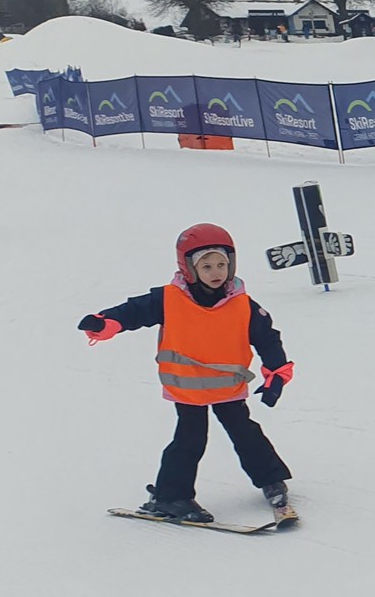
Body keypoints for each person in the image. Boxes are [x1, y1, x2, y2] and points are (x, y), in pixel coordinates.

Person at [79, 223, 295, 522]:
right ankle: (171, 497)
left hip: (228, 387)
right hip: (187, 389)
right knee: (190, 439)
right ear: (189, 268)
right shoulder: (169, 299)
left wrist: (276, 375)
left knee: (245, 432)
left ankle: (271, 479)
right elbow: (133, 311)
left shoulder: (242, 304)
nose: (216, 272)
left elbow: (267, 338)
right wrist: (105, 323)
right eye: (206, 266)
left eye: (221, 264)